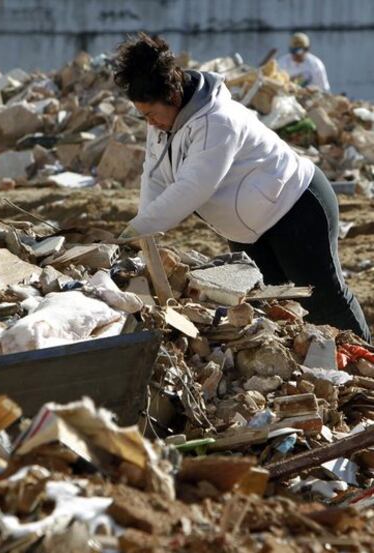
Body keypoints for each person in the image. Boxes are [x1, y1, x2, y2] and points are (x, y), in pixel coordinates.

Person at [114, 33, 370, 342]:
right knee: (276, 310)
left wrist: (137, 229)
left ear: (173, 96)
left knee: (324, 302)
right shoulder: (162, 124)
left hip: (296, 207)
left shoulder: (217, 120)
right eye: (144, 116)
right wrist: (143, 231)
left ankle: (366, 371)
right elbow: (153, 175)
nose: (150, 123)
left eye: (151, 114)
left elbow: (193, 187)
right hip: (248, 230)